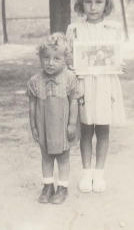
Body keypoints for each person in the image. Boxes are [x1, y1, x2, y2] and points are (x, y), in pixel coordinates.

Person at [66, 0, 126, 193]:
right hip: (84, 84)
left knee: (102, 129)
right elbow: (69, 58)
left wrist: (119, 63)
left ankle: (99, 174)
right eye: (88, 2)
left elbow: (116, 55)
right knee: (85, 129)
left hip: (105, 84)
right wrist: (72, 65)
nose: (93, 7)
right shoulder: (74, 29)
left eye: (98, 2)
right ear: (80, 3)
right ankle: (86, 173)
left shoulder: (113, 28)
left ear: (106, 4)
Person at [26, 32, 80, 204]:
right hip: (44, 126)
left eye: (56, 58)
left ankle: (63, 187)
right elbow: (32, 105)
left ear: (66, 59)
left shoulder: (70, 78)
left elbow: (74, 102)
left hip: (63, 125)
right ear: (40, 58)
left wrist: (72, 124)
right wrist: (33, 126)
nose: (50, 63)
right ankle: (48, 186)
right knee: (46, 157)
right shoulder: (34, 81)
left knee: (63, 157)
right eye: (46, 58)